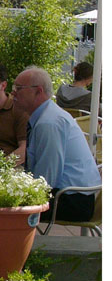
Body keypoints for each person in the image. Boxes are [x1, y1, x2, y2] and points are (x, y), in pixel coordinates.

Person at [12, 66, 101, 222]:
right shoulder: (46, 116)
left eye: (19, 88)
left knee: (0, 207)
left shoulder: (48, 123)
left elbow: (46, 180)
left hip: (73, 202)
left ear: (38, 91)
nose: (13, 92)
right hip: (73, 196)